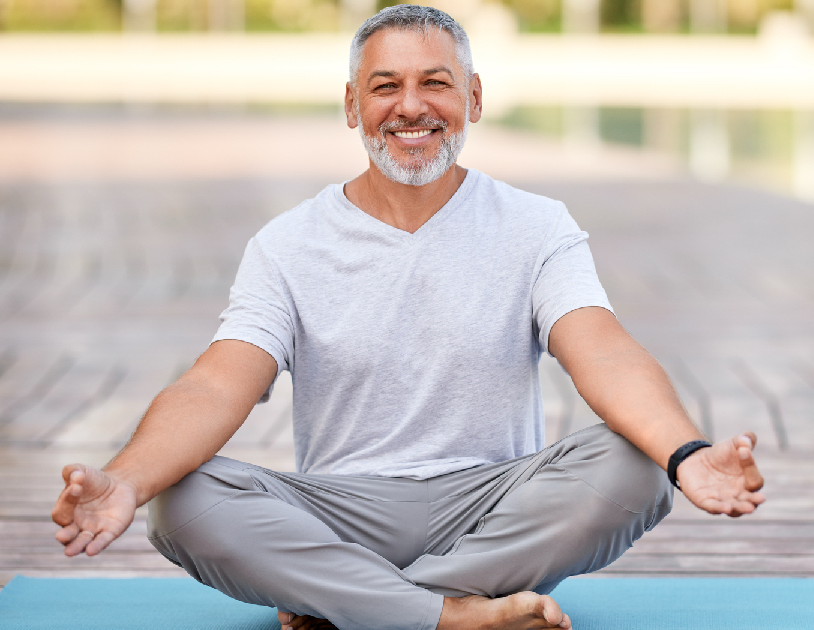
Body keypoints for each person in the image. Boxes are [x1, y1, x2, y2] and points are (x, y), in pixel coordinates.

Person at [50, 5, 765, 630]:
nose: (410, 107)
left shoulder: (537, 226)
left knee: (637, 467)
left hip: (493, 510)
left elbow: (603, 354)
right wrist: (126, 480)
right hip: (340, 515)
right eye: (385, 86)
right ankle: (451, 614)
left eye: (435, 83)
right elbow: (214, 387)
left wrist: (686, 452)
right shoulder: (288, 243)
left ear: (475, 98)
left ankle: (356, 609)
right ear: (353, 107)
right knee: (180, 501)